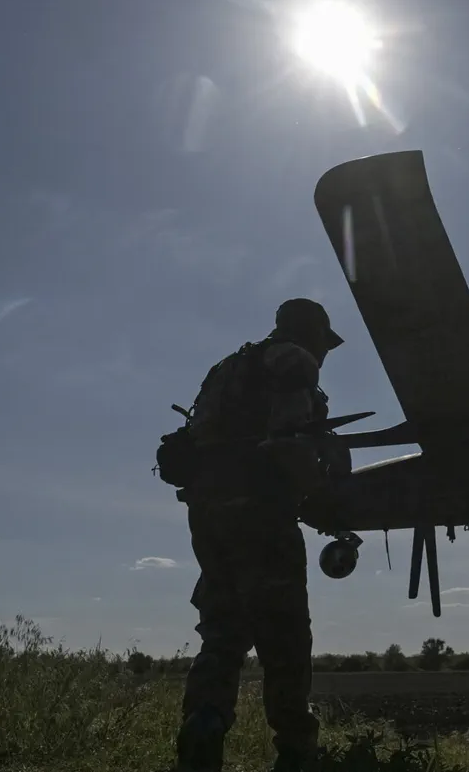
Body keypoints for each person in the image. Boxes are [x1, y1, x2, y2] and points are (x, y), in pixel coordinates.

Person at [171, 297, 345, 772]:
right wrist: (323, 498)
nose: (325, 355)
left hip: (208, 515)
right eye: (324, 344)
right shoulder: (294, 360)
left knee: (223, 633)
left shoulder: (228, 366)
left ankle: (201, 732)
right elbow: (286, 442)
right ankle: (296, 753)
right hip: (261, 516)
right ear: (311, 334)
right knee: (284, 638)